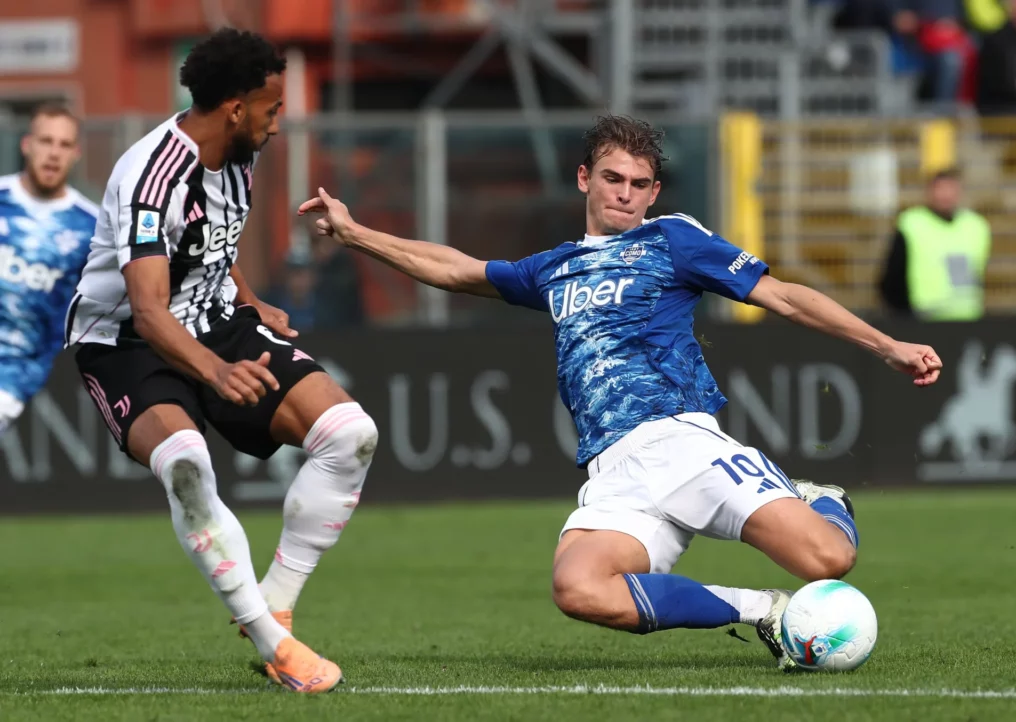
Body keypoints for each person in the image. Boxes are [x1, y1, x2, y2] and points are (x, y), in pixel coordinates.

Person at [300, 115, 942, 669]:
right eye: (614, 179)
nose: (626, 195)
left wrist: (887, 345)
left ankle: (822, 499)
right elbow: (455, 269)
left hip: (683, 442)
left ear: (654, 191)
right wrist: (355, 233)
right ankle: (765, 613)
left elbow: (783, 297)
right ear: (585, 178)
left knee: (828, 560)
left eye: (640, 184)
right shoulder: (553, 267)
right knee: (578, 589)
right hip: (613, 471)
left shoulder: (673, 240)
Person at [64, 29, 377, 693]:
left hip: (214, 319)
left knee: (350, 436)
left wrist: (251, 300)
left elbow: (211, 240)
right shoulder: (150, 179)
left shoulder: (238, 153)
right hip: (124, 341)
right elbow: (147, 311)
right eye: (271, 106)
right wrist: (214, 370)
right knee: (185, 464)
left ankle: (278, 601)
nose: (277, 118)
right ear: (235, 107)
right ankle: (275, 644)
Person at [0, 103, 97, 434]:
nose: (54, 153)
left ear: (76, 154)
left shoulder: (92, 227)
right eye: (46, 141)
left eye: (64, 144)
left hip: (13, 376)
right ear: (27, 145)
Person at [879, 167, 990, 320]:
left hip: (968, 316)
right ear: (929, 192)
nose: (945, 195)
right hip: (923, 317)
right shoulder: (911, 223)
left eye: (950, 189)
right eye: (940, 189)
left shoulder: (976, 226)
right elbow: (893, 276)